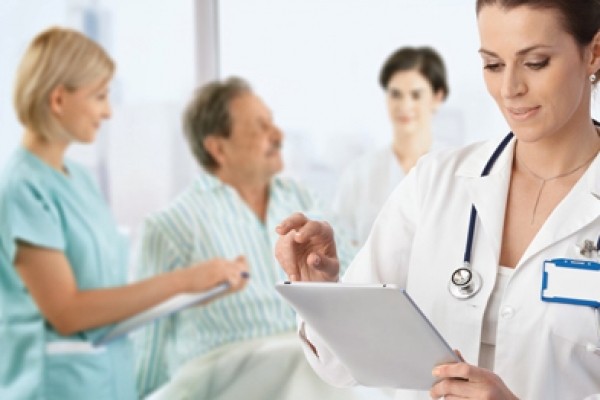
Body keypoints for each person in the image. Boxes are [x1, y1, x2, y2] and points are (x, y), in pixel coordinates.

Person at [275, 1, 600, 399]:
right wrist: (320, 291)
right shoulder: (435, 183)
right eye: (493, 65)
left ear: (594, 53)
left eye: (534, 62)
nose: (510, 88)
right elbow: (342, 365)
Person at [0, 27, 249, 400]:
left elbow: (108, 299)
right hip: (53, 387)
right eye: (99, 96)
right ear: (57, 99)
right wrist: (183, 280)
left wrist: (194, 293)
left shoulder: (80, 180)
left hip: (109, 383)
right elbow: (68, 311)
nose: (108, 111)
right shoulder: (23, 188)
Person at [133, 77, 392, 400]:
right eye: (260, 126)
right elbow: (146, 351)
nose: (278, 134)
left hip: (305, 372)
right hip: (222, 379)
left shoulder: (306, 204)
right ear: (218, 148)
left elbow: (358, 288)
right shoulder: (171, 228)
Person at [331, 46, 449, 247]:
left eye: (416, 95)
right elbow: (340, 245)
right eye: (395, 94)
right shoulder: (359, 174)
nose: (404, 105)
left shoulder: (453, 170)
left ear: (437, 97)